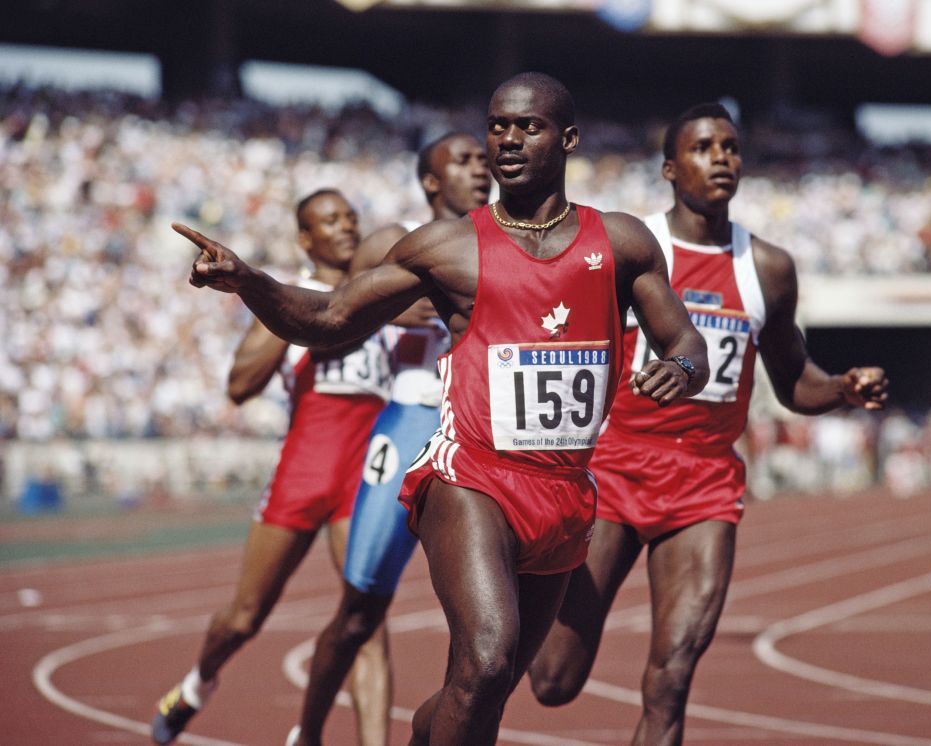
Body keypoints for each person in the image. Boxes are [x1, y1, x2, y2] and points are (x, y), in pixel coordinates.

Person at [176, 72, 709, 746]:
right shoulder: (449, 249)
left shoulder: (624, 244)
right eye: (497, 126)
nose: (507, 139)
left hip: (566, 490)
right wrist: (248, 281)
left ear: (569, 138)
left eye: (528, 126)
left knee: (486, 687)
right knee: (486, 659)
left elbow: (684, 338)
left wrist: (683, 367)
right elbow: (332, 316)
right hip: (471, 479)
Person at [527, 102, 889, 745]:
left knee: (670, 681)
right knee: (553, 680)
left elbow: (793, 381)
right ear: (670, 167)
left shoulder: (768, 269)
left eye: (731, 147)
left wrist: (841, 388)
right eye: (703, 147)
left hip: (703, 484)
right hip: (613, 470)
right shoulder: (632, 249)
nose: (721, 157)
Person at [151, 189, 392, 745]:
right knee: (243, 618)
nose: (346, 227)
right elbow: (238, 386)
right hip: (303, 473)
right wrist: (296, 319)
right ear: (305, 238)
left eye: (351, 216)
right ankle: (198, 683)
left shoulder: (383, 291)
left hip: (363, 479)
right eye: (329, 220)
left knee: (366, 621)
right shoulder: (290, 296)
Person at [286, 132, 491, 746]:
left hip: (480, 430)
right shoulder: (391, 239)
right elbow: (333, 314)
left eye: (483, 159)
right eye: (462, 161)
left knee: (484, 634)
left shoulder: (508, 239)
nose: (479, 169)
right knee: (359, 614)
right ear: (430, 181)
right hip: (408, 420)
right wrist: (391, 309)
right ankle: (310, 733)